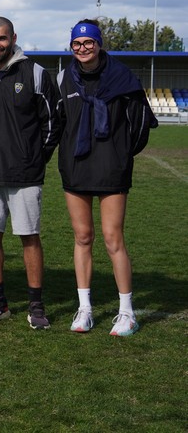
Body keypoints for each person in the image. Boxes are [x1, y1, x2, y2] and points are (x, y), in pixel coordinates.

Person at [57, 19, 157, 336]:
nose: (83, 48)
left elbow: (140, 125)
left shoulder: (122, 77)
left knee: (113, 239)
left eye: (89, 42)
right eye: (77, 43)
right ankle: (84, 309)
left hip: (111, 167)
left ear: (99, 43)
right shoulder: (64, 78)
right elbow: (59, 122)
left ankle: (127, 312)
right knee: (82, 237)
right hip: (76, 166)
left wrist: (120, 154)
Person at [0, 17, 60, 330]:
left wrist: (35, 158)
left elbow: (53, 121)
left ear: (13, 38)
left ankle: (36, 304)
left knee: (29, 238)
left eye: (1, 38)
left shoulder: (35, 73)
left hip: (24, 175)